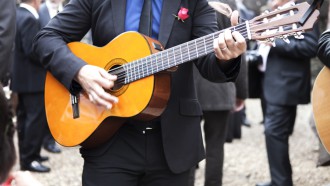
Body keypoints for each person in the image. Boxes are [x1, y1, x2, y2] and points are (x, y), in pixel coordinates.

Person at [33, 0, 247, 185]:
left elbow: (210, 66)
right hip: (108, 138)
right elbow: (47, 38)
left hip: (173, 142)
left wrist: (226, 57)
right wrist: (79, 71)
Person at [256, 0, 319, 186]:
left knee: (273, 132)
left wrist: (273, 42)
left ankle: (281, 182)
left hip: (286, 84)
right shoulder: (275, 13)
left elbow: (311, 46)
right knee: (276, 133)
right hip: (269, 82)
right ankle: (279, 180)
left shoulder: (303, 11)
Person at [189, 1, 248, 185]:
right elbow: (240, 51)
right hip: (221, 88)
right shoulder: (228, 6)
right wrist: (242, 92)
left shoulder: (189, 5)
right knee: (215, 147)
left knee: (187, 146)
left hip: (192, 87)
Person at [11, 0, 51, 173]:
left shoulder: (17, 14)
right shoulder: (28, 18)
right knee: (35, 120)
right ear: (34, 1)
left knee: (24, 119)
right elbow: (31, 50)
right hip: (33, 80)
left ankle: (29, 154)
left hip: (22, 78)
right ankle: (30, 159)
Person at [39, 0, 64, 154]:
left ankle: (55, 137)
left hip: (67, 68)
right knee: (45, 107)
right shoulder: (40, 10)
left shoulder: (69, 9)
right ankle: (46, 140)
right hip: (43, 69)